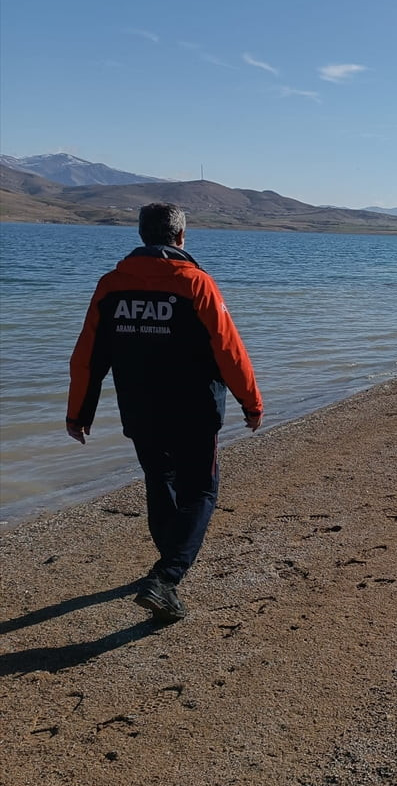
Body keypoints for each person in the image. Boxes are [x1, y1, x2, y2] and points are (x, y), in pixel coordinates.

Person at [67, 203, 263, 623]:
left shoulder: (110, 286)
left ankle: (166, 571)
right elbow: (229, 350)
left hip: (140, 409)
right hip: (194, 412)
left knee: (160, 481)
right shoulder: (196, 284)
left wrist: (78, 413)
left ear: (142, 236)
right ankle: (167, 576)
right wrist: (252, 402)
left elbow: (88, 356)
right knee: (202, 492)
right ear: (180, 238)